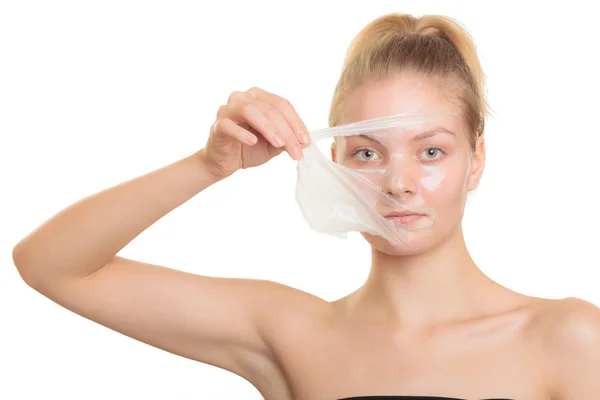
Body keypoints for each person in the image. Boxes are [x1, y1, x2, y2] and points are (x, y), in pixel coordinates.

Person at [11, 11, 600, 400]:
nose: (399, 183)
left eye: (432, 151)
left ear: (476, 160)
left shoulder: (569, 337)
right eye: (368, 153)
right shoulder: (292, 333)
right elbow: (50, 264)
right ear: (335, 160)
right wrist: (209, 165)